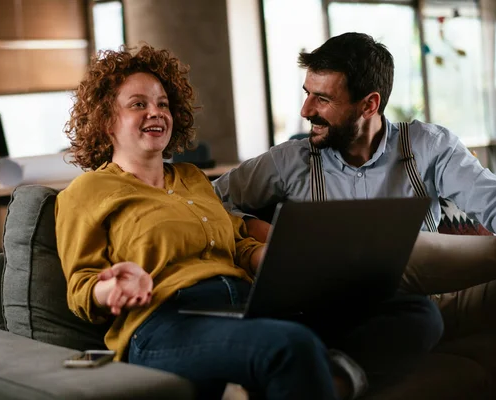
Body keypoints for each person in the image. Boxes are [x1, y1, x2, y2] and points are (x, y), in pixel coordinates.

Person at [55, 44, 443, 400]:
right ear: (107, 121)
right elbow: (81, 287)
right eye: (137, 104)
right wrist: (113, 289)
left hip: (246, 305)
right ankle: (314, 372)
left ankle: (334, 378)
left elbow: (238, 243)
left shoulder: (192, 179)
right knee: (289, 344)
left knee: (414, 311)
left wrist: (285, 258)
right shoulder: (86, 191)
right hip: (163, 322)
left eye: (162, 103)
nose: (155, 112)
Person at [213, 32, 496, 338]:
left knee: (416, 258)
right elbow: (203, 203)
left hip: (423, 300)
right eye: (307, 93)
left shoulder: (430, 146)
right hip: (339, 309)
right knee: (398, 254)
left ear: (369, 105)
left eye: (323, 99)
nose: (305, 110)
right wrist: (256, 230)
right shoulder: (288, 161)